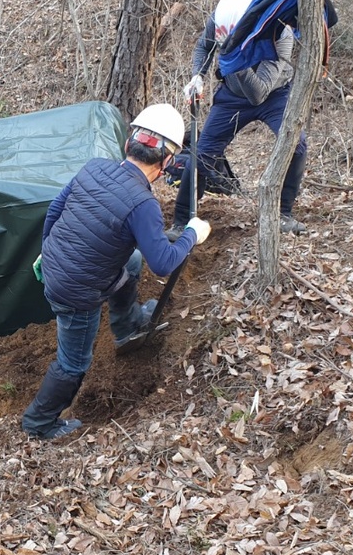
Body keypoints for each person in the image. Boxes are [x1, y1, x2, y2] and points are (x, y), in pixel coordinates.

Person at [21, 104, 212, 441]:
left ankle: (127, 326)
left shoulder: (94, 168)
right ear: (167, 162)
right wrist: (192, 234)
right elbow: (165, 263)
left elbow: (55, 210)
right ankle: (39, 423)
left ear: (128, 144)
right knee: (73, 362)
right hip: (76, 292)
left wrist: (51, 250)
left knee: (133, 262)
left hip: (54, 265)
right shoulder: (143, 203)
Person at [176, 0, 337, 236]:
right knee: (202, 155)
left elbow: (259, 92)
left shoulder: (278, 32)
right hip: (231, 97)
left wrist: (232, 60)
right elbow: (203, 47)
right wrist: (197, 76)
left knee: (296, 145)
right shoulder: (222, 17)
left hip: (274, 94)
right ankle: (181, 220)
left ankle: (283, 213)